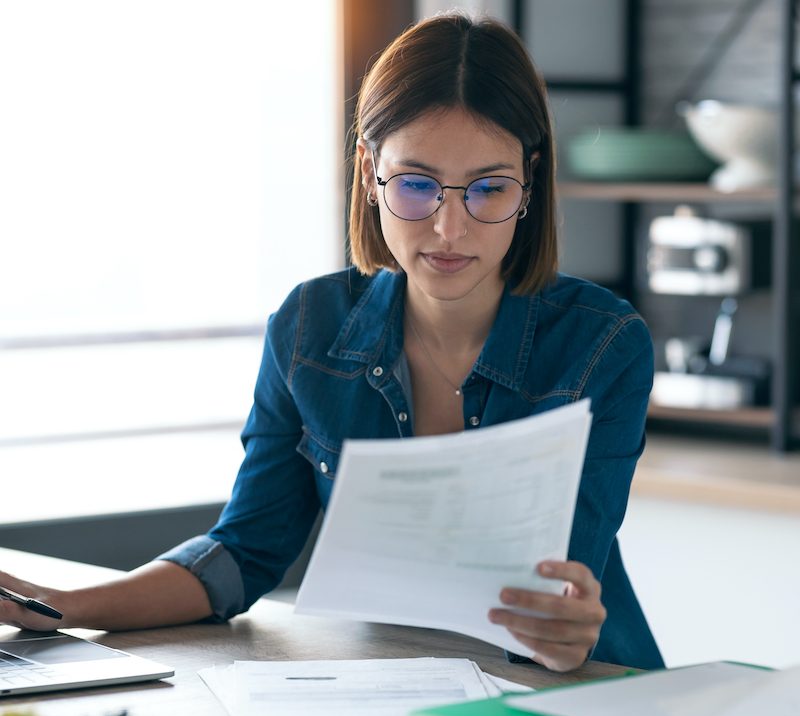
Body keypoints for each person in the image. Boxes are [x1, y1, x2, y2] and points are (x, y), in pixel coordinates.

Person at [0, 13, 663, 672]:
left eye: (489, 188)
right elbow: (245, 552)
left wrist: (564, 626)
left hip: (578, 687)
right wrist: (60, 603)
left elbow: (568, 581)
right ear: (370, 172)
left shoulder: (603, 344)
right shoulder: (308, 327)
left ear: (531, 183)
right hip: (394, 694)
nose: (450, 228)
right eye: (416, 185)